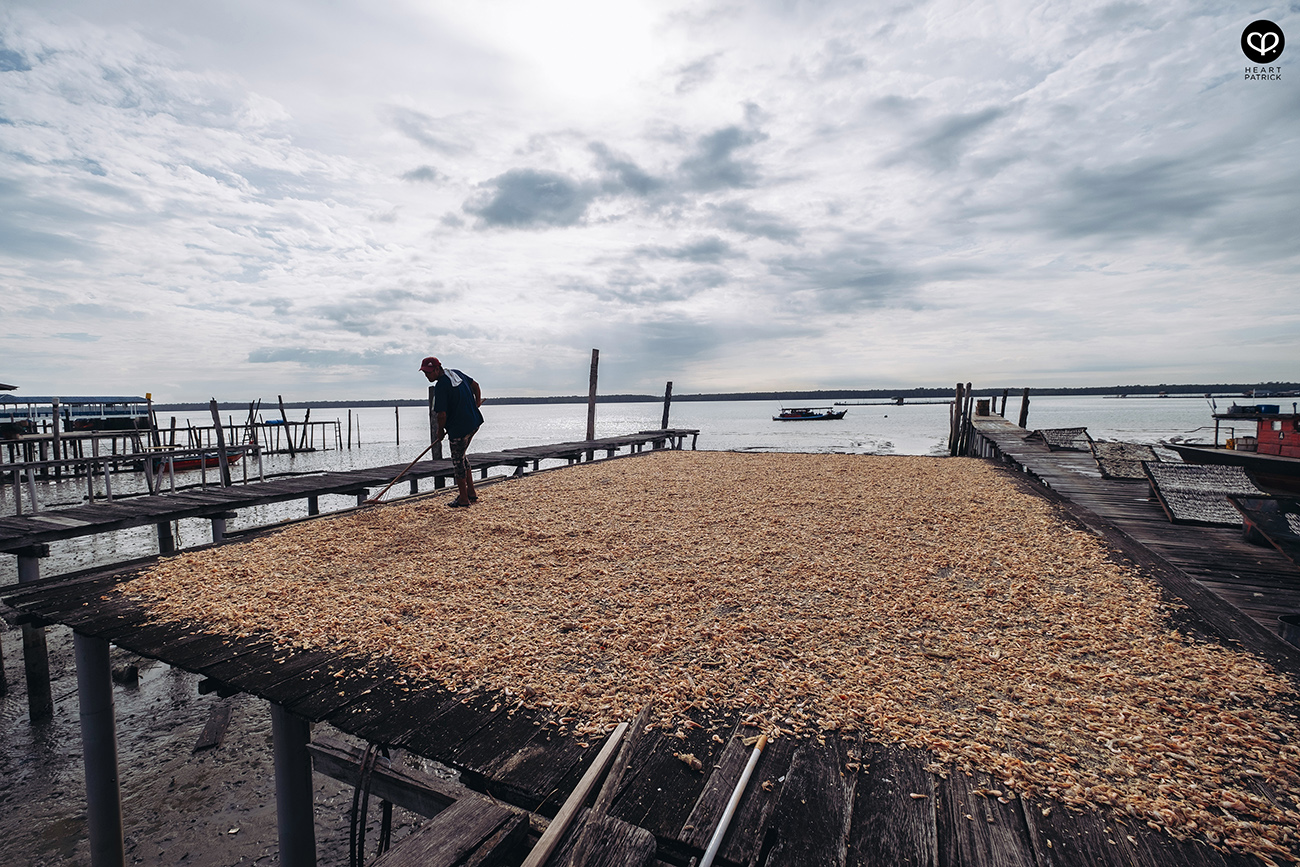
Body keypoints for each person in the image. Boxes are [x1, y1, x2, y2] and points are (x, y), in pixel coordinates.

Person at [420, 356, 484, 507]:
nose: (427, 375)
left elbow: (441, 414)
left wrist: (440, 431)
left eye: (429, 372)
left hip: (460, 429)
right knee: (461, 456)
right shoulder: (456, 373)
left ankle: (463, 499)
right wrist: (477, 404)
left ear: (437, 369)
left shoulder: (441, 386)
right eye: (425, 372)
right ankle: (471, 493)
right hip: (474, 423)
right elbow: (476, 386)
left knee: (457, 462)